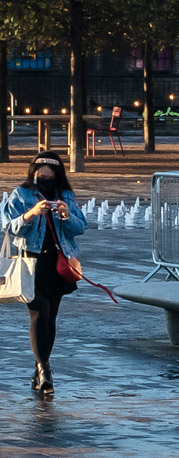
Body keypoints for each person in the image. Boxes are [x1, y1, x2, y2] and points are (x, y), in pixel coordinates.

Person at [2, 153, 86, 394]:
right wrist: (31, 214)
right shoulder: (22, 193)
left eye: (50, 177)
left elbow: (81, 227)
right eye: (41, 176)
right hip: (31, 261)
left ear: (58, 176)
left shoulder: (65, 195)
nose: (45, 181)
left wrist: (66, 214)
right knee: (40, 313)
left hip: (58, 262)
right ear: (33, 174)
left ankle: (39, 368)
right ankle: (45, 370)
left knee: (51, 317)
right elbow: (7, 225)